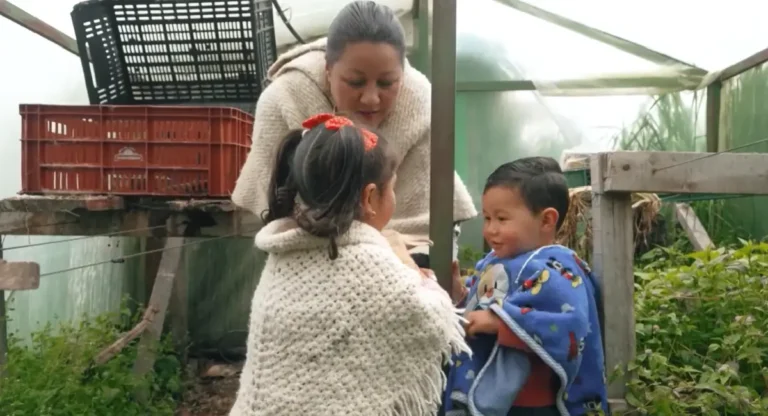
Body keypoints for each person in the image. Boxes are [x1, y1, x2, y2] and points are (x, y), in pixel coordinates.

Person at [230, 113, 470, 416]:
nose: (393, 197)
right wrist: (409, 264)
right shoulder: (371, 260)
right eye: (392, 188)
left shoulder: (283, 255)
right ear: (370, 197)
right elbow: (430, 318)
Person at [232, 0, 477, 258]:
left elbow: (422, 222)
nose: (371, 98)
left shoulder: (420, 101)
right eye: (355, 82)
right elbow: (276, 208)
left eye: (387, 83)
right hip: (306, 250)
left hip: (407, 255)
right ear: (328, 70)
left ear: (402, 75)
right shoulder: (284, 98)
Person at [442, 157, 609, 416]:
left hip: (534, 406)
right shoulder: (494, 261)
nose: (490, 230)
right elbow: (482, 308)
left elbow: (568, 325)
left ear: (546, 220)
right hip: (491, 400)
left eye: (501, 218)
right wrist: (460, 295)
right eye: (486, 218)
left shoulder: (557, 267)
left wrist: (499, 323)